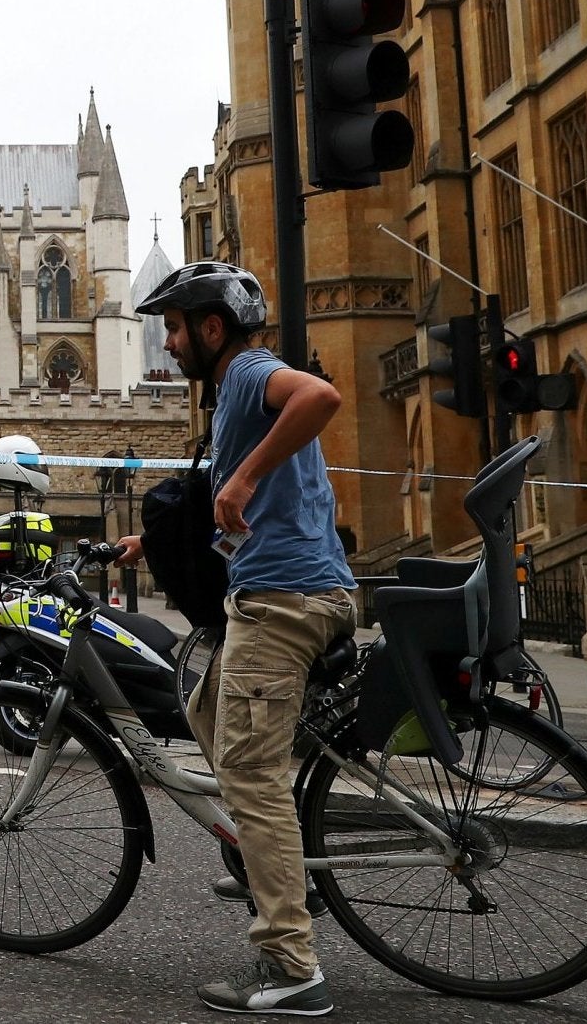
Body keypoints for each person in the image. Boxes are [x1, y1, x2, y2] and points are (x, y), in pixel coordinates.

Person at [118, 261, 353, 1018]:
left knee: (251, 778)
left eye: (176, 326)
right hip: (283, 589)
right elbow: (243, 513)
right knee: (205, 714)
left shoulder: (251, 371)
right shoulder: (233, 394)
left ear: (211, 328)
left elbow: (320, 395)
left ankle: (291, 967)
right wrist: (143, 542)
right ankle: (272, 856)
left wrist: (243, 476)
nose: (168, 340)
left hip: (283, 604)